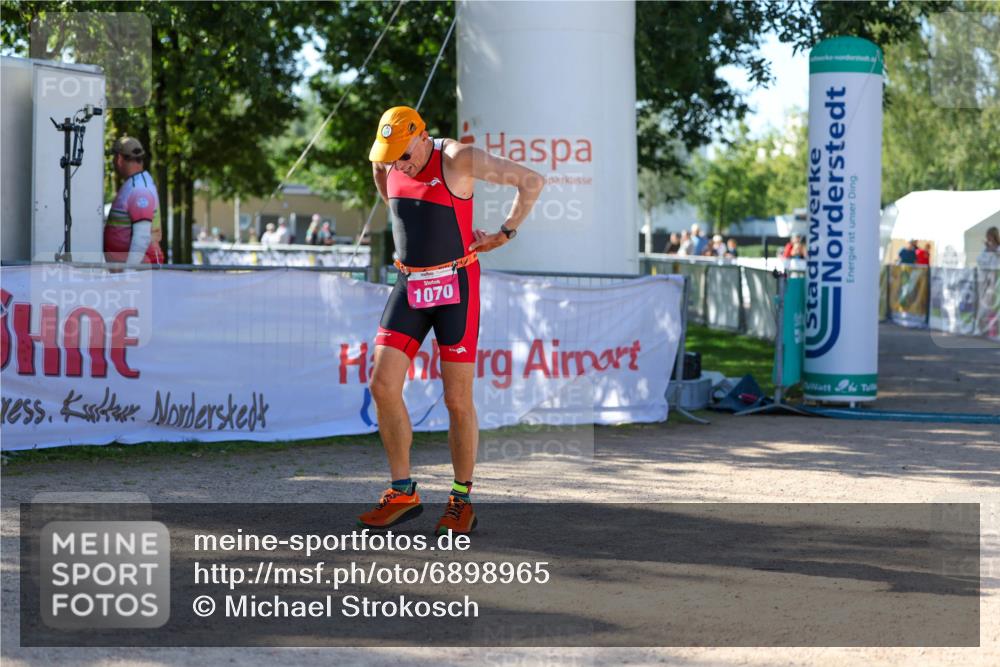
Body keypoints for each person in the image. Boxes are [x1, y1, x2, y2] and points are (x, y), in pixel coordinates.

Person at [360, 106, 544, 535]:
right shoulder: (385, 160)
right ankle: (403, 492)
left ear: (423, 137)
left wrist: (506, 231)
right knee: (382, 385)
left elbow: (531, 181)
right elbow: (388, 190)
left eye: (404, 155)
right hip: (410, 285)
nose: (397, 163)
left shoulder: (458, 158)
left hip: (455, 287)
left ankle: (461, 500)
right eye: (391, 156)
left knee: (456, 399)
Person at [103, 136, 163, 264]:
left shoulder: (139, 189)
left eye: (113, 158)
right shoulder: (135, 184)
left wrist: (128, 273)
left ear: (118, 159)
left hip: (138, 274)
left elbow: (142, 238)